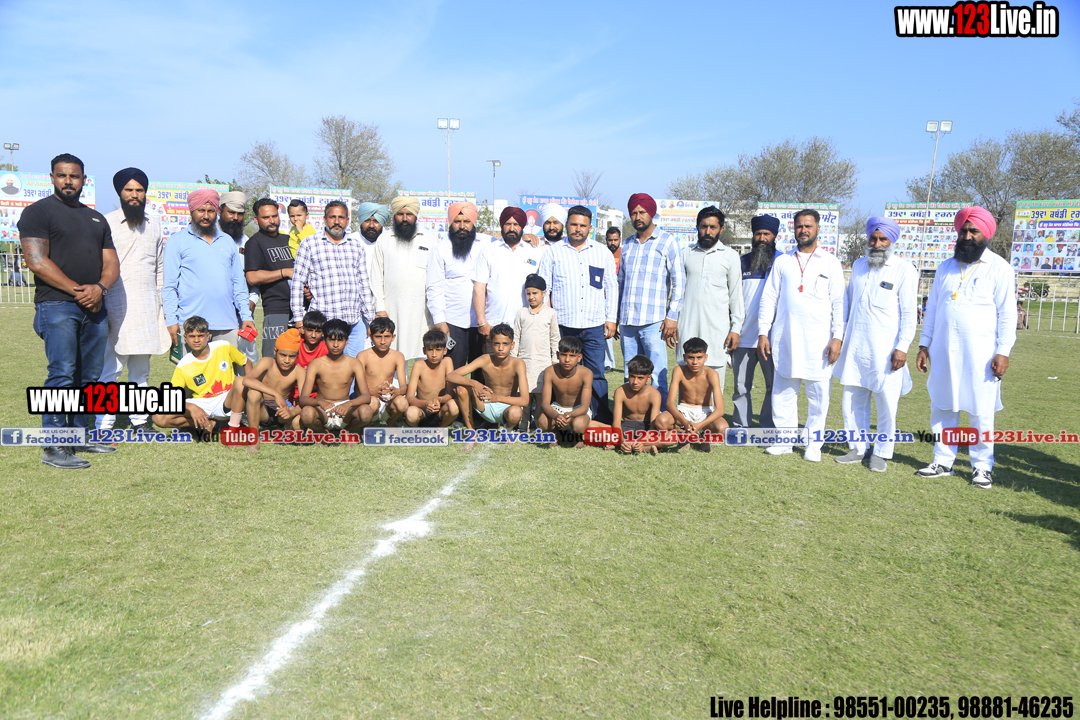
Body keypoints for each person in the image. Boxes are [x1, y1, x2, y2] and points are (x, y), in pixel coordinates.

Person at [19, 153, 119, 467]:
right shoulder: (38, 212)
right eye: (61, 175)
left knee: (89, 377)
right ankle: (53, 446)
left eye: (74, 176)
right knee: (62, 373)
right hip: (56, 304)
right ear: (52, 177)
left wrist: (99, 288)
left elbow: (112, 263)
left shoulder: (96, 219)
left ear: (83, 180)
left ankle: (79, 436)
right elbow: (36, 260)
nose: (68, 181)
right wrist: (79, 290)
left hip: (95, 307)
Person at [916, 206, 1017, 489]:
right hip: (943, 350)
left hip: (981, 353)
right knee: (943, 405)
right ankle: (942, 461)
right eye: (964, 231)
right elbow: (933, 310)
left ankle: (982, 467)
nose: (968, 236)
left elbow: (1008, 314)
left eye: (974, 231)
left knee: (981, 410)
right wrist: (924, 344)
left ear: (986, 234)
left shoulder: (999, 268)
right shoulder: (946, 267)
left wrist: (1003, 351)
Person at [757, 208, 845, 462]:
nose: (803, 230)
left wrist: (837, 337)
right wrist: (763, 331)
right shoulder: (783, 261)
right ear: (793, 229)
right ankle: (784, 441)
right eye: (799, 226)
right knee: (783, 392)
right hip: (785, 338)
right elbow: (769, 298)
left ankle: (813, 445)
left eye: (808, 226)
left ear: (818, 229)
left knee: (818, 396)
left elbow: (840, 303)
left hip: (820, 341)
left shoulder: (830, 262)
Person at [832, 217, 918, 472]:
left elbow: (909, 313)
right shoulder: (859, 265)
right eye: (873, 238)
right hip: (855, 346)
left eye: (883, 239)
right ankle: (858, 448)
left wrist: (902, 347)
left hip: (887, 350)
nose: (877, 244)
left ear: (892, 241)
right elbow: (848, 304)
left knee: (887, 404)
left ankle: (881, 452)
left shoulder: (904, 269)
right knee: (852, 401)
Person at [96, 167, 170, 434]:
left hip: (148, 306)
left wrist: (161, 304)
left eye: (139, 190)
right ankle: (103, 424)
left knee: (141, 371)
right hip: (116, 305)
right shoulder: (106, 222)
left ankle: (140, 421)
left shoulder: (155, 225)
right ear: (120, 193)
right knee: (111, 370)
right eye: (129, 190)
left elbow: (159, 269)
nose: (134, 195)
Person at [538, 205, 617, 423]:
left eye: (583, 225)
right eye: (574, 224)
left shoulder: (602, 252)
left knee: (596, 373)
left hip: (594, 324)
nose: (578, 229)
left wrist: (611, 318)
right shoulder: (554, 252)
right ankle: (559, 416)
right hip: (563, 325)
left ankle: (599, 418)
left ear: (590, 227)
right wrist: (547, 320)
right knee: (562, 372)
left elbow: (611, 287)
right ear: (567, 225)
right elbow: (545, 288)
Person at [162, 188, 255, 352]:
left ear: (216, 212)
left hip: (226, 325)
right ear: (191, 211)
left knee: (227, 369)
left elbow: (238, 283)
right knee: (192, 369)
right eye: (201, 210)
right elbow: (169, 286)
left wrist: (246, 316)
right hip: (191, 326)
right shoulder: (177, 241)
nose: (206, 216)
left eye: (210, 211)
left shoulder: (227, 241)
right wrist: (171, 320)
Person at [618, 192, 685, 408]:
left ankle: (660, 419)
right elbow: (620, 283)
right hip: (628, 322)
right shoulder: (627, 244)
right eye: (633, 213)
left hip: (654, 322)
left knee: (657, 376)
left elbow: (679, 282)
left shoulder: (667, 242)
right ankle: (634, 417)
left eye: (642, 212)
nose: (638, 217)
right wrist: (616, 317)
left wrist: (672, 317)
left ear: (651, 213)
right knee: (630, 375)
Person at [290, 201, 374, 358]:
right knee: (324, 371)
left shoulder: (356, 246)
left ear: (347, 220)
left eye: (341, 217)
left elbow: (363, 285)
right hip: (323, 326)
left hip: (353, 325)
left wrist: (370, 320)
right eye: (332, 217)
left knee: (354, 368)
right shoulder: (309, 244)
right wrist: (299, 319)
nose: (337, 221)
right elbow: (297, 283)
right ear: (324, 219)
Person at [675, 206, 743, 393]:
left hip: (717, 333)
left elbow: (736, 295)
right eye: (704, 226)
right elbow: (676, 292)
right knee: (686, 389)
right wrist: (673, 321)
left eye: (713, 227)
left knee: (714, 390)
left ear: (721, 229)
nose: (708, 231)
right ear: (697, 227)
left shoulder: (730, 256)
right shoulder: (686, 254)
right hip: (687, 329)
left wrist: (735, 328)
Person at [151, 316, 253, 436]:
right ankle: (207, 423)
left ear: (207, 336)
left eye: (200, 336)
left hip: (226, 399)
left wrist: (251, 390)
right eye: (192, 336)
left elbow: (246, 362)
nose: (196, 340)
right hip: (202, 404)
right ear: (185, 338)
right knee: (159, 417)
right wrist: (190, 407)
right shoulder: (183, 364)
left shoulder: (223, 346)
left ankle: (233, 425)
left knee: (240, 382)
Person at [731, 215, 782, 428]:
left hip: (771, 339)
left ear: (774, 236)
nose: (762, 238)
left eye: (766, 234)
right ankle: (741, 426)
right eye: (758, 234)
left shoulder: (783, 262)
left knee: (773, 387)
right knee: (741, 387)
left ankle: (768, 426)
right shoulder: (741, 262)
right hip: (743, 337)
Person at [372, 196, 435, 359]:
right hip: (392, 308)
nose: (405, 218)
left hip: (422, 310)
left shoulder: (430, 238)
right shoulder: (384, 239)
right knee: (392, 356)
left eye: (409, 214)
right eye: (400, 214)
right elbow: (376, 275)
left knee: (424, 356)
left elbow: (437, 276)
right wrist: (380, 308)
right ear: (394, 216)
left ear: (416, 215)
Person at [427, 201, 487, 370]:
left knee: (482, 374)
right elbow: (434, 287)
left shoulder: (486, 244)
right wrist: (440, 321)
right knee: (451, 372)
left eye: (466, 221)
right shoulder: (441, 249)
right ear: (450, 222)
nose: (462, 226)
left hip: (482, 322)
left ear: (473, 222)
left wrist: (528, 237)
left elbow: (508, 242)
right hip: (452, 322)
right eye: (457, 221)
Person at [474, 206, 542, 344]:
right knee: (491, 359)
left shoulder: (534, 252)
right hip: (493, 325)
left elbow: (542, 290)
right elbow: (479, 288)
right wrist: (482, 322)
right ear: (502, 225)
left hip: (526, 326)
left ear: (522, 226)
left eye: (516, 224)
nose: (512, 228)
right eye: (508, 224)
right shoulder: (489, 251)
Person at [448, 323, 529, 440]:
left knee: (515, 413)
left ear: (512, 345)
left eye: (505, 344)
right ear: (491, 344)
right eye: (497, 343)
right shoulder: (486, 359)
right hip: (486, 404)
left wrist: (496, 398)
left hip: (507, 407)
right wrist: (474, 383)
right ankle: (471, 432)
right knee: (462, 389)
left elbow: (525, 400)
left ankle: (507, 428)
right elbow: (450, 376)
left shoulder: (518, 363)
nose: (500, 348)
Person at [654, 337, 729, 452]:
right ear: (684, 357)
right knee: (661, 421)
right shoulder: (679, 371)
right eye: (690, 357)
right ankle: (684, 435)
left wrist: (699, 425)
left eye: (699, 357)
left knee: (723, 428)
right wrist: (685, 422)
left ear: (705, 357)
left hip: (705, 411)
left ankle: (704, 436)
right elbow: (670, 403)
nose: (695, 362)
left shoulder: (712, 374)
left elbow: (720, 410)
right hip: (684, 410)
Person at [298, 319, 372, 432]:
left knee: (366, 412)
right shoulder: (316, 364)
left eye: (340, 340)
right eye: (331, 340)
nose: (336, 345)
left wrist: (348, 404)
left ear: (347, 341)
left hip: (345, 410)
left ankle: (346, 431)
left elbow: (366, 396)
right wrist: (320, 402)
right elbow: (303, 399)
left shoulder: (354, 363)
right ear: (325, 340)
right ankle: (323, 433)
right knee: (306, 413)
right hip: (322, 409)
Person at [244, 198, 294, 358]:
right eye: (266, 217)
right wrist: (284, 272)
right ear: (256, 220)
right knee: (273, 361)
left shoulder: (288, 240)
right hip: (276, 310)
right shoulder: (254, 243)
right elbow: (252, 277)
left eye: (274, 216)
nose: (271, 221)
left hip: (299, 310)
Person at [512, 274, 561, 429]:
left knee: (541, 398)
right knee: (524, 397)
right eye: (528, 293)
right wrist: (513, 360)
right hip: (524, 363)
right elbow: (516, 338)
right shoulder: (521, 313)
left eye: (535, 293)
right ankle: (523, 427)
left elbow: (555, 338)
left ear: (544, 293)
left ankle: (540, 426)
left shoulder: (550, 313)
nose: (531, 297)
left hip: (543, 363)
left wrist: (555, 360)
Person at [241, 328, 306, 439]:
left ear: (297, 355)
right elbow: (246, 380)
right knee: (253, 393)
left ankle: (281, 428)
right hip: (260, 408)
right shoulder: (267, 362)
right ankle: (253, 436)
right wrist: (276, 394)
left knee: (297, 422)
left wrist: (292, 412)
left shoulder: (299, 371)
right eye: (283, 355)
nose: (287, 360)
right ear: (275, 351)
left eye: (292, 356)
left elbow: (304, 400)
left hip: (280, 411)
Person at [537, 335, 596, 447]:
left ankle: (576, 437)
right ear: (557, 355)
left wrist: (570, 414)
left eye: (572, 356)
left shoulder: (586, 373)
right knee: (543, 422)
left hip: (578, 411)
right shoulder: (550, 371)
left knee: (579, 425)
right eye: (563, 354)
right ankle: (556, 434)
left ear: (579, 357)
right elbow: (545, 403)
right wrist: (556, 416)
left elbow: (584, 406)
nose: (567, 359)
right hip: (557, 408)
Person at [357, 316, 409, 426]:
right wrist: (371, 392)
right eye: (378, 337)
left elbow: (404, 387)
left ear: (393, 337)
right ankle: (366, 426)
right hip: (370, 400)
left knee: (402, 403)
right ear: (371, 337)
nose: (383, 341)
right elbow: (357, 389)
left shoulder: (398, 356)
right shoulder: (363, 356)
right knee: (373, 402)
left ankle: (391, 423)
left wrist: (397, 391)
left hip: (388, 401)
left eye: (387, 337)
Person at [404, 329, 460, 427]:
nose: (434, 354)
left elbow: (452, 394)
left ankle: (440, 429)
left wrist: (440, 399)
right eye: (430, 350)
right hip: (422, 410)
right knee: (411, 413)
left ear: (445, 350)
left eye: (438, 350)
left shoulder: (447, 362)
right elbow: (409, 397)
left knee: (454, 405)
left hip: (440, 410)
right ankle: (417, 431)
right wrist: (426, 403)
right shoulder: (419, 365)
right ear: (424, 350)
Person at [611, 354, 663, 455]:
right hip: (626, 429)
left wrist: (642, 441)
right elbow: (616, 423)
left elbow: (653, 426)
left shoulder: (654, 394)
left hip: (646, 429)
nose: (635, 382)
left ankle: (641, 447)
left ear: (648, 378)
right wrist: (623, 441)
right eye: (632, 376)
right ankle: (644, 447)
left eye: (640, 378)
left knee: (672, 438)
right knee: (591, 426)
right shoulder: (621, 391)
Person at [603, 226, 621, 371]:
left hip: (622, 298)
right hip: (606, 298)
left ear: (619, 239)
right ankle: (608, 363)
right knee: (607, 330)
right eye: (610, 240)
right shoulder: (602, 253)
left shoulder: (624, 254)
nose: (613, 243)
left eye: (615, 240)